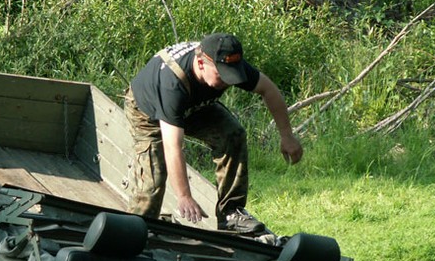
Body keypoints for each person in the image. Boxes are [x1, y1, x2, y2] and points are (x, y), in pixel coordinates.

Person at [124, 32, 303, 233]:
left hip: (195, 106)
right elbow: (172, 147)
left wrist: (287, 135)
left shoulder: (227, 61)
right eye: (223, 75)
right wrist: (184, 196)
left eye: (232, 75)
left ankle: (230, 213)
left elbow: (268, 89)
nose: (229, 82)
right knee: (152, 179)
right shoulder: (172, 84)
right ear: (201, 64)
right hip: (148, 113)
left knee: (232, 134)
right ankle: (136, 230)